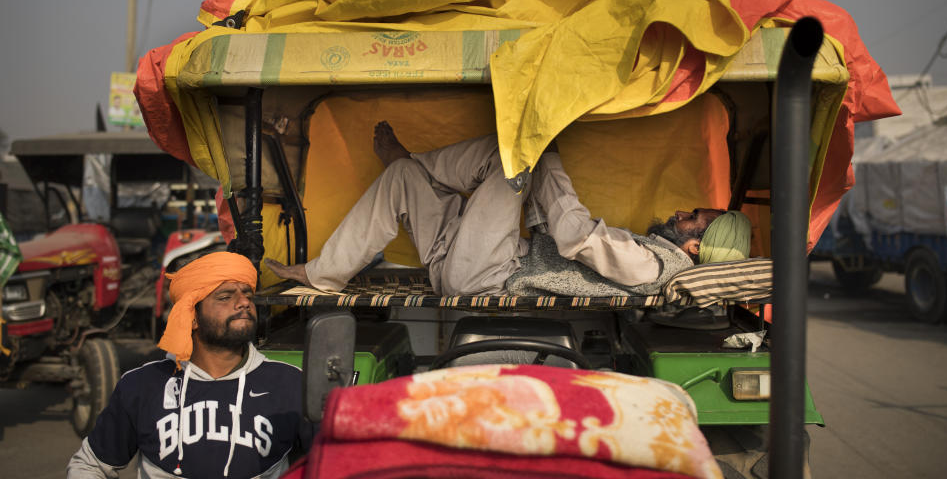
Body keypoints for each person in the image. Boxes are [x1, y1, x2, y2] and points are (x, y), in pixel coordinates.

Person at [265, 122, 751, 296]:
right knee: (402, 179)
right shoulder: (654, 255)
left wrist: (548, 155)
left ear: (694, 246)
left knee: (515, 153)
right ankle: (327, 272)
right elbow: (554, 232)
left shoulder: (653, 264)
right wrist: (542, 171)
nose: (682, 212)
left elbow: (575, 237)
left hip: (487, 273)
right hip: (459, 262)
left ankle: (422, 163)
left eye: (694, 219)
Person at [67, 252, 312, 479]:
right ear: (191, 317)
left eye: (247, 294)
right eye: (226, 297)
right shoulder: (143, 385)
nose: (243, 303)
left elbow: (333, 463)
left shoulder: (291, 383)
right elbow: (89, 466)